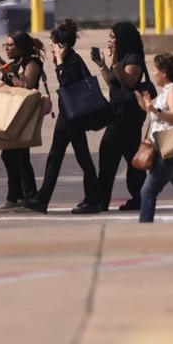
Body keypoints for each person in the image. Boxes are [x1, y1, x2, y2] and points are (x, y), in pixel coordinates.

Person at [26, 19, 100, 214]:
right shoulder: (69, 59)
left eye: (54, 42)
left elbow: (66, 82)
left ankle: (92, 199)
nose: (51, 45)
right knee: (56, 157)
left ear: (63, 45)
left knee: (81, 157)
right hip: (67, 116)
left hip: (73, 117)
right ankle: (42, 199)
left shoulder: (72, 60)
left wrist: (59, 60)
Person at [93, 22, 148, 211]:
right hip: (118, 112)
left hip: (127, 115)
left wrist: (115, 63)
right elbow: (113, 83)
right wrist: (102, 65)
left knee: (108, 152)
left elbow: (129, 82)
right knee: (132, 159)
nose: (109, 41)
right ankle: (140, 198)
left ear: (122, 38)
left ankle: (101, 200)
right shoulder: (122, 57)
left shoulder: (133, 58)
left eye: (112, 37)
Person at [0, 31, 45, 211]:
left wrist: (9, 73)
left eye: (11, 45)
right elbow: (0, 88)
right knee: (8, 154)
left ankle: (29, 196)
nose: (7, 49)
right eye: (6, 45)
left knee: (21, 156)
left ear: (21, 46)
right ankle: (15, 196)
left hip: (24, 115)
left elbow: (27, 86)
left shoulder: (32, 63)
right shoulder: (11, 65)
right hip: (10, 114)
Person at [135, 53, 173, 223]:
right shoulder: (166, 91)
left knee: (148, 191)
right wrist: (146, 106)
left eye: (155, 69)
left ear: (164, 72)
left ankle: (145, 228)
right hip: (165, 147)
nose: (153, 73)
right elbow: (158, 116)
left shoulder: (172, 90)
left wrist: (154, 110)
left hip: (166, 148)